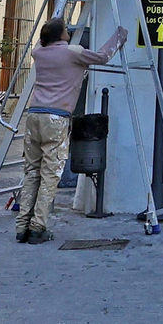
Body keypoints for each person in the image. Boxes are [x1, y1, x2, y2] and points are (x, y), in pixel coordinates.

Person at [16, 16, 127, 245]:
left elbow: (44, 45)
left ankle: (21, 225)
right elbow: (103, 57)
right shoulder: (72, 53)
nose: (69, 31)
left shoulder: (39, 53)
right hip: (56, 118)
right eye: (66, 29)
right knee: (49, 173)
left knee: (32, 171)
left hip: (34, 115)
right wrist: (119, 36)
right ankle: (38, 226)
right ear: (61, 35)